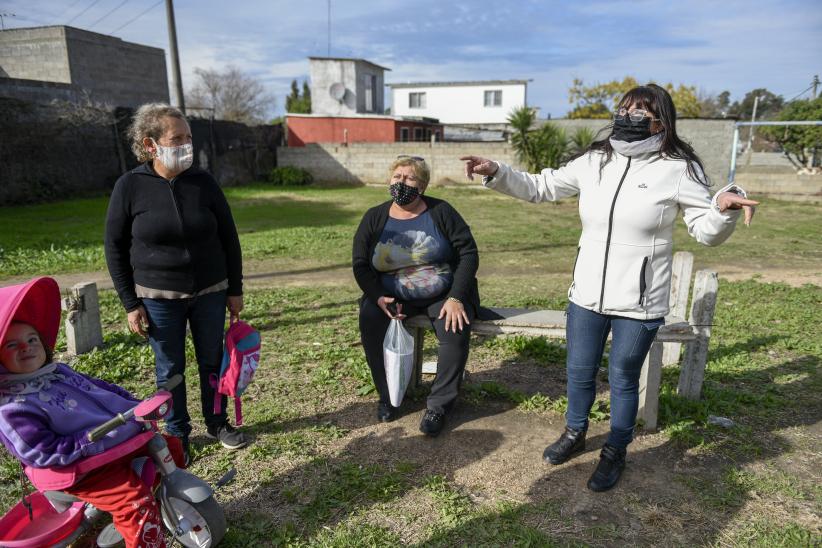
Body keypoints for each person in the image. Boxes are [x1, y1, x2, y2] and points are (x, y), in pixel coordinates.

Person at [461, 84, 758, 492]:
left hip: (639, 300)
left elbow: (704, 231)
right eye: (624, 109)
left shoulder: (678, 169)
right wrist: (496, 171)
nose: (627, 116)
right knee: (579, 371)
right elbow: (542, 186)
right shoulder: (595, 160)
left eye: (640, 112)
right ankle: (574, 431)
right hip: (586, 293)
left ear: (661, 121)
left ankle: (615, 449)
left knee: (622, 377)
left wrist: (721, 209)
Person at [104, 103, 247, 464]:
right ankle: (178, 432)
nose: (186, 145)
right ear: (151, 144)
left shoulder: (203, 182)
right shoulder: (130, 186)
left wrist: (235, 289)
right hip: (158, 298)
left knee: (212, 361)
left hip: (211, 292)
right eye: (177, 138)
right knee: (169, 369)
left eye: (189, 137)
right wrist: (129, 303)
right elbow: (114, 247)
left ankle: (217, 422)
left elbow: (229, 237)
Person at [0, 277, 185, 548]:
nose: (26, 347)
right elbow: (39, 450)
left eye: (32, 339)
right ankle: (146, 536)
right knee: (132, 501)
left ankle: (162, 501)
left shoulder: (57, 372)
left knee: (170, 448)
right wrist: (85, 442)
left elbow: (100, 389)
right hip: (81, 466)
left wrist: (132, 403)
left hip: (115, 439)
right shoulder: (12, 407)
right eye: (12, 345)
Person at [353, 155, 480, 436]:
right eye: (397, 177)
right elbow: (360, 264)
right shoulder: (375, 216)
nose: (402, 183)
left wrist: (457, 297)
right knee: (370, 320)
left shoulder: (441, 211)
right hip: (392, 293)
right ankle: (388, 396)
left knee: (454, 329)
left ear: (421, 186)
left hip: (443, 292)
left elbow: (468, 254)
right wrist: (376, 296)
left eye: (409, 178)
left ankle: (439, 406)